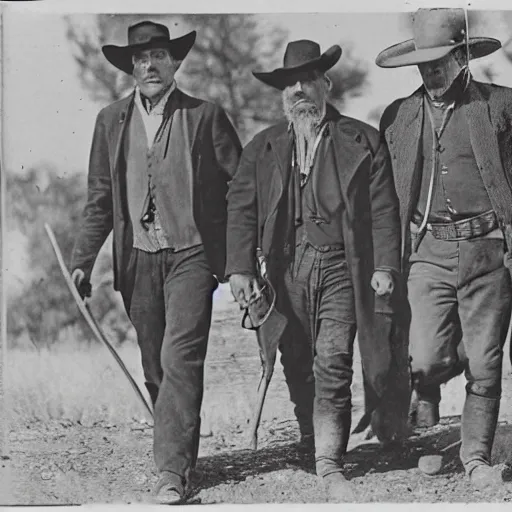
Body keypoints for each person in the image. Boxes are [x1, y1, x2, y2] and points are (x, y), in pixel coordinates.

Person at [70, 21, 242, 503]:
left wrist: (241, 255)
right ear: (130, 67)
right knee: (155, 368)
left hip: (191, 254)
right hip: (138, 261)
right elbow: (100, 198)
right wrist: (83, 260)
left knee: (179, 358)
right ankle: (182, 453)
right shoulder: (110, 121)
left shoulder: (205, 116)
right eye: (141, 59)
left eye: (159, 56)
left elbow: (242, 186)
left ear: (175, 63)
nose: (149, 65)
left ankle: (171, 472)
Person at [225, 39, 401, 501]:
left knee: (334, 360)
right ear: (283, 94)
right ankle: (311, 439)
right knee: (297, 361)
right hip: (284, 269)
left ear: (327, 84)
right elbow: (241, 209)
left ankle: (329, 460)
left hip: (343, 266)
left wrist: (384, 265)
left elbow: (384, 210)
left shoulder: (362, 140)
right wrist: (240, 268)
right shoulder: (263, 148)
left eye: (307, 80)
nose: (299, 89)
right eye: (290, 84)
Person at [376, 7, 512, 489]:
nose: (431, 72)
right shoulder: (399, 116)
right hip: (426, 251)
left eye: (439, 61)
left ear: (462, 56)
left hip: (488, 252)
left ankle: (475, 455)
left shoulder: (499, 106)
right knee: (425, 357)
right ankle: (433, 379)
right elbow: (386, 195)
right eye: (423, 64)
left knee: (486, 360)